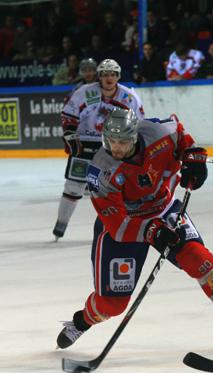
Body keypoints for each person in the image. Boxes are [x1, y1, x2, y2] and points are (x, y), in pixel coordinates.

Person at [56, 109, 213, 349]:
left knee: (199, 259)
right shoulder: (100, 170)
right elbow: (116, 225)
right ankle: (81, 321)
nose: (116, 148)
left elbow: (182, 137)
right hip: (126, 226)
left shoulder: (159, 132)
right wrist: (152, 231)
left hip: (164, 210)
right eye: (111, 142)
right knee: (113, 304)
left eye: (122, 142)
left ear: (134, 137)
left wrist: (194, 156)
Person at [52, 59, 144, 240]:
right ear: (99, 76)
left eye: (113, 74)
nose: (109, 78)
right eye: (105, 74)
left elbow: (139, 123)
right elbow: (68, 115)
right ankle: (60, 225)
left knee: (117, 187)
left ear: (118, 76)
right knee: (74, 186)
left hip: (114, 146)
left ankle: (120, 225)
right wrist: (70, 135)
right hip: (84, 144)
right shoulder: (84, 92)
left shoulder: (129, 97)